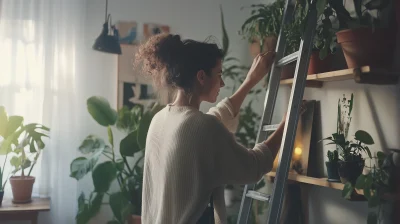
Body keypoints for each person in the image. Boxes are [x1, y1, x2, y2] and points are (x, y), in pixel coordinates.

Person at [135, 33, 285, 224]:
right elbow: (253, 166)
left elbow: (212, 120)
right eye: (219, 75)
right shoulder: (203, 127)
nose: (222, 83)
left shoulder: (160, 120)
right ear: (201, 76)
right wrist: (288, 123)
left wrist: (250, 81)